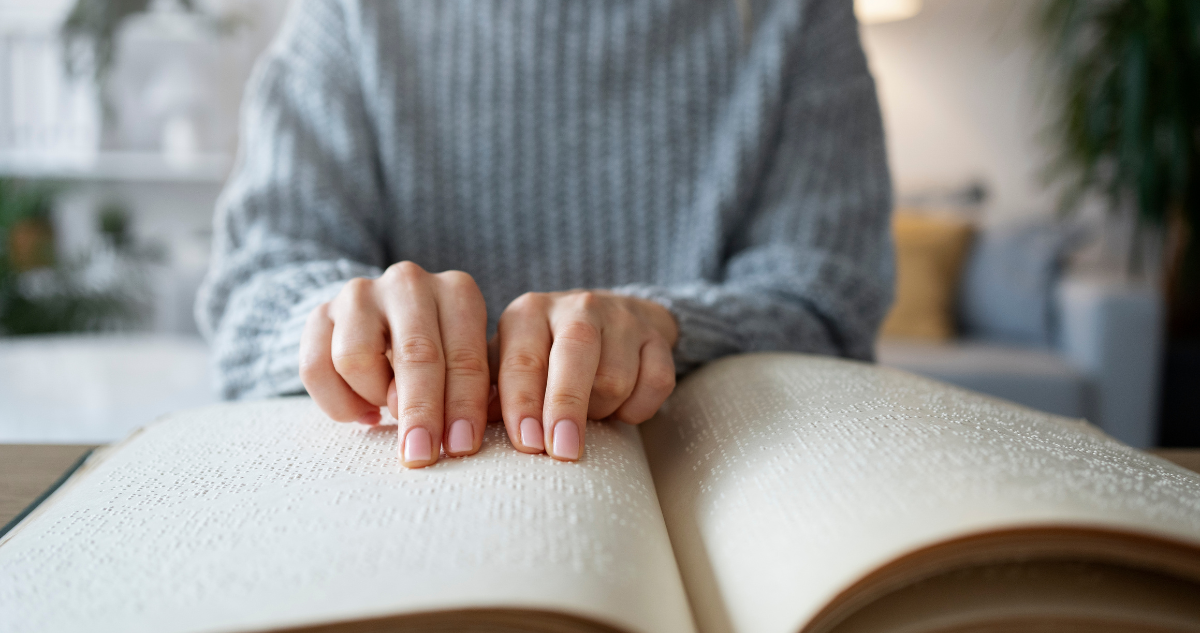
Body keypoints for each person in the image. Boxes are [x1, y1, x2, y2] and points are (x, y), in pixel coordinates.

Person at [197, 0, 894, 468]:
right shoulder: (351, 14)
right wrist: (335, 321)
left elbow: (826, 307)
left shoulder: (795, 17)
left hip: (717, 468)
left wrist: (675, 326)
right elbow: (256, 284)